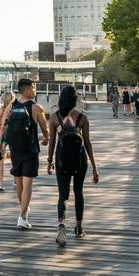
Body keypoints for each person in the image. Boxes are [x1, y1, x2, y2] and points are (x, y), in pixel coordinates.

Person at [47, 85, 99, 246]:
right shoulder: (82, 118)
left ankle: (61, 225)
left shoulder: (54, 117)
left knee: (63, 194)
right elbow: (88, 143)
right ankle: (78, 227)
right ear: (75, 100)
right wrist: (95, 168)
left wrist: (49, 161)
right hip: (79, 160)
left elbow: (52, 142)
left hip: (61, 160)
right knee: (78, 192)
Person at [0, 77, 49, 229]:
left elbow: (2, 129)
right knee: (27, 184)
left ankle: (23, 210)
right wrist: (46, 139)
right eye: (33, 87)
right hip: (30, 150)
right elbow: (45, 129)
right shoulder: (36, 107)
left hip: (15, 150)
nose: (35, 90)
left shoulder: (10, 107)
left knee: (18, 181)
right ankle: (23, 217)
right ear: (27, 89)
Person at [0, 91, 15, 191]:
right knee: (15, 157)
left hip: (1, 136)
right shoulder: (13, 110)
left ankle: (1, 183)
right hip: (12, 135)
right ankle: (15, 180)